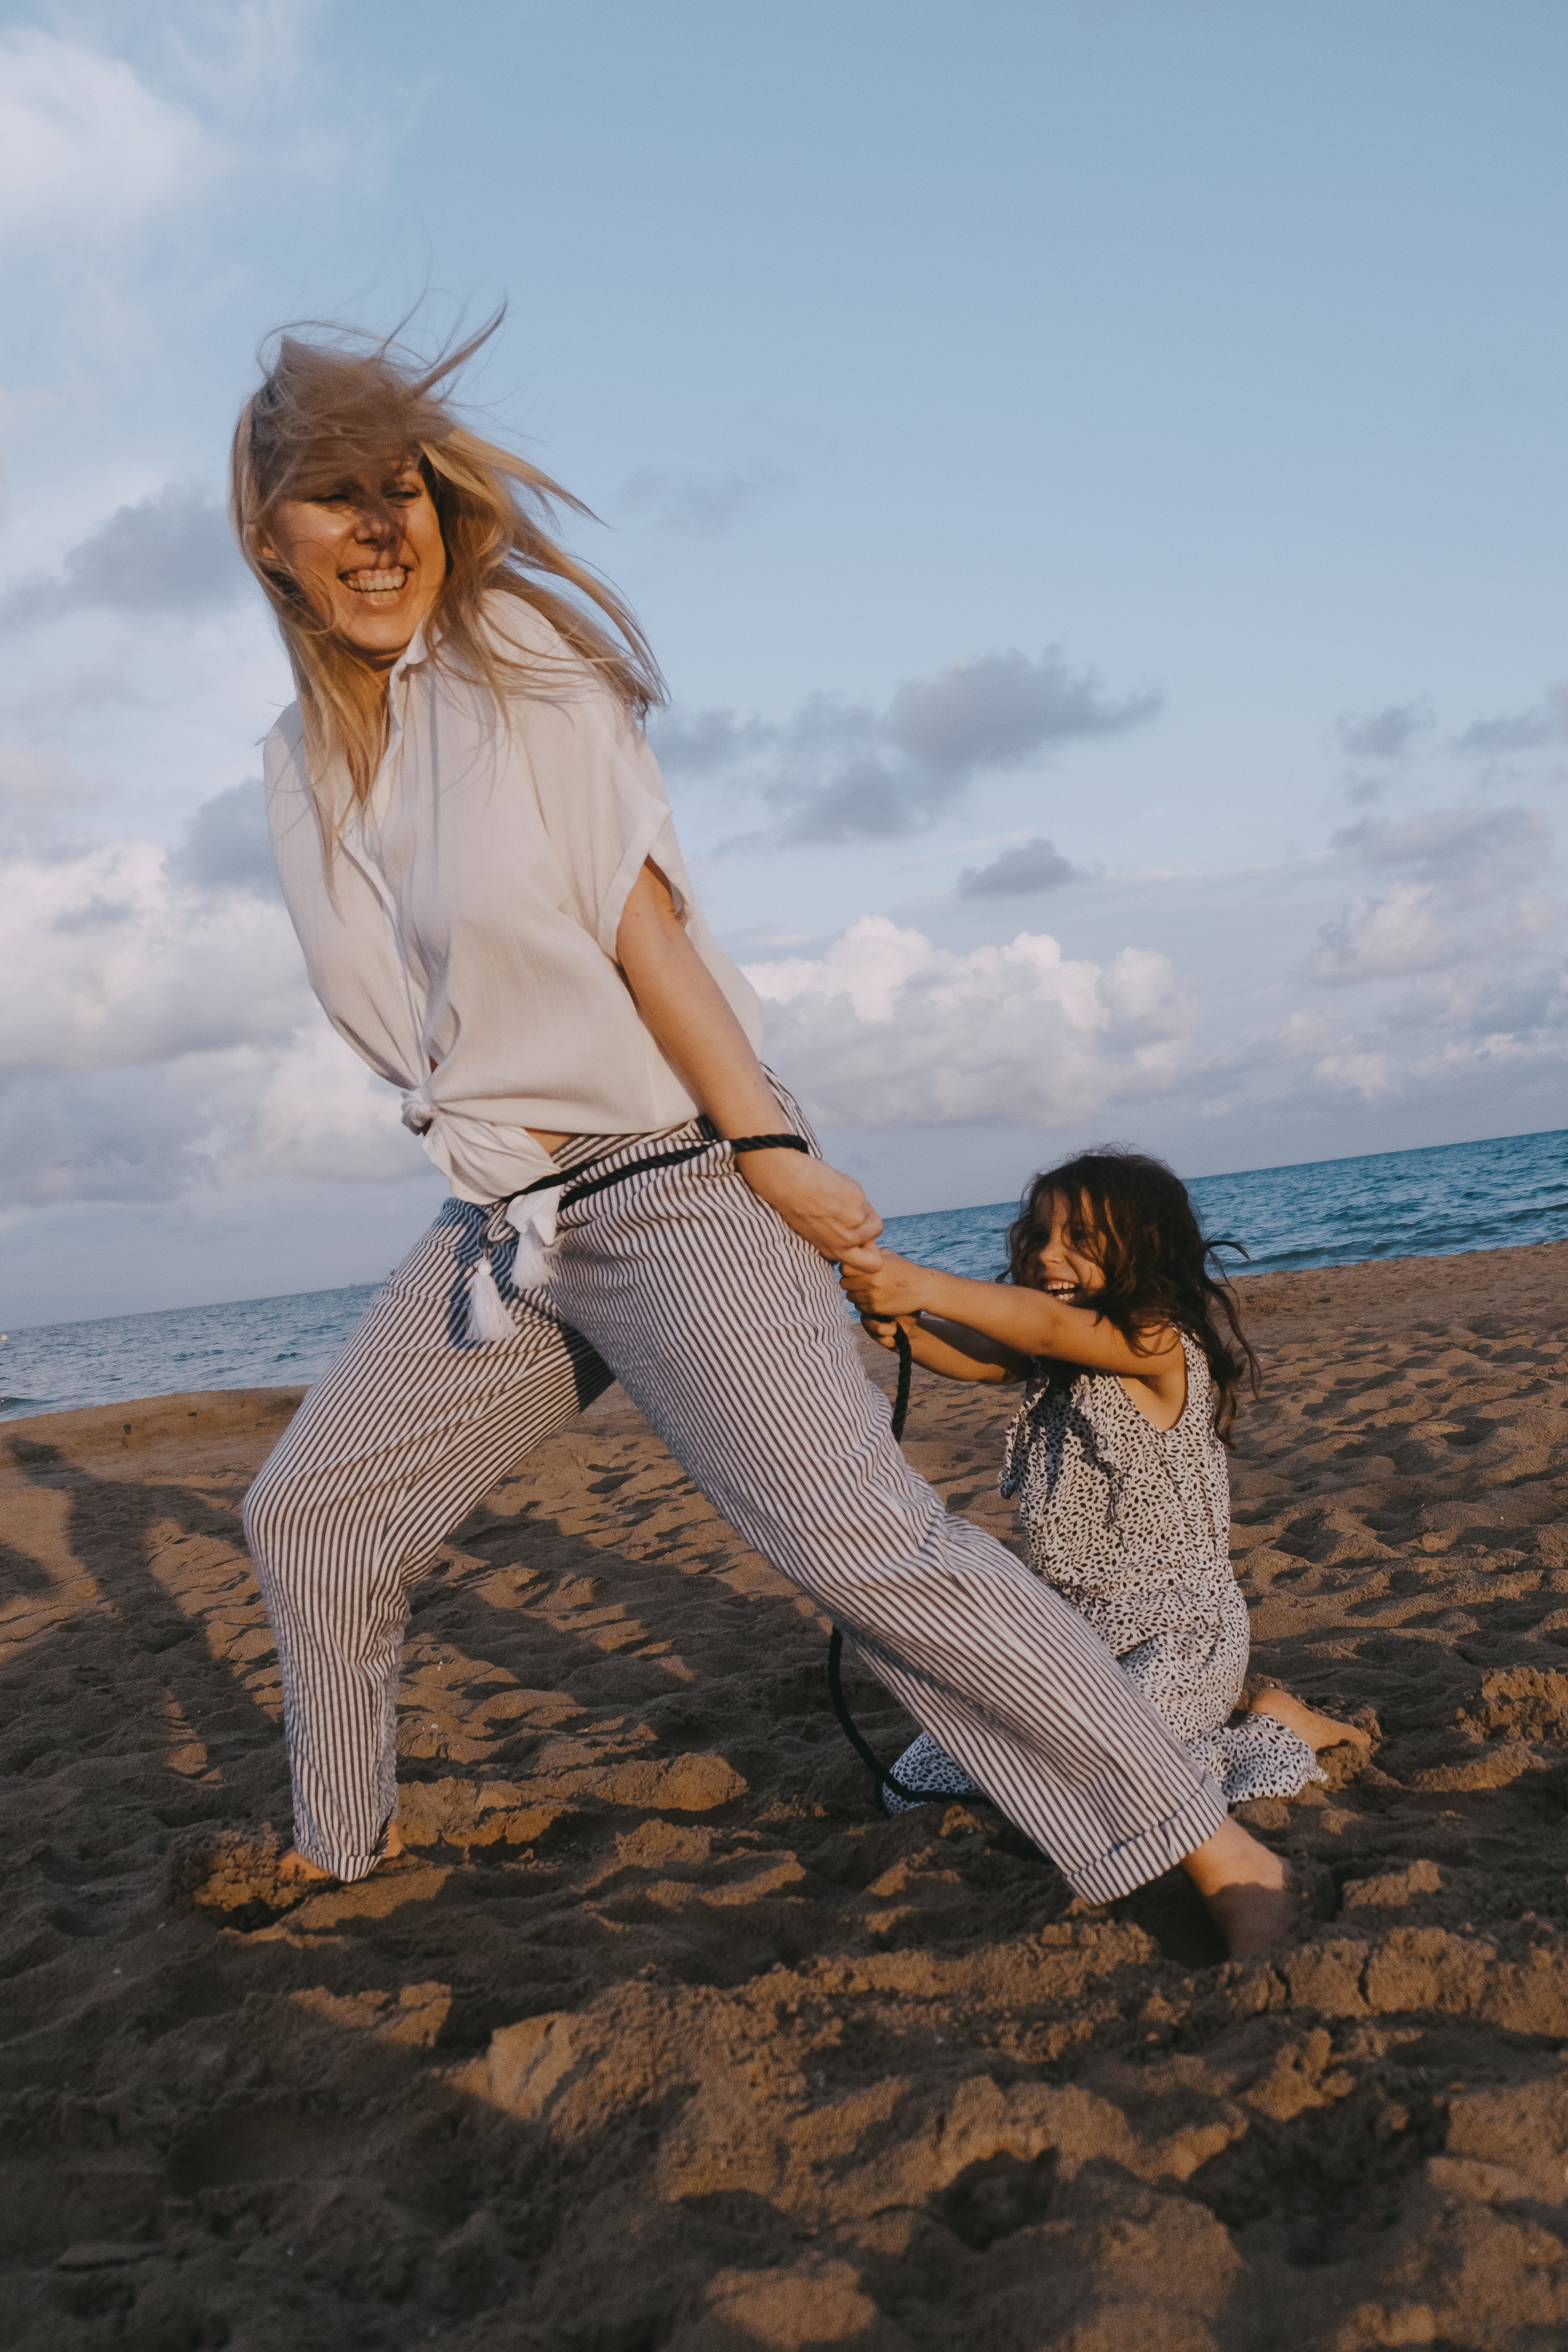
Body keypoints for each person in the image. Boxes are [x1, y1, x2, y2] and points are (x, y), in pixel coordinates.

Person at [230, 316, 1303, 1956]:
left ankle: (1208, 1844)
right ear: (267, 534)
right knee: (312, 1508)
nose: (381, 530)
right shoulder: (297, 768)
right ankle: (336, 1847)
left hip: (668, 1183)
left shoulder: (516, 660)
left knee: (865, 1543)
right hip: (510, 1226)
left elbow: (641, 920)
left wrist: (772, 1148)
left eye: (406, 491)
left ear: (447, 506)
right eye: (333, 496)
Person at [840, 1148, 1368, 1812]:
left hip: (1178, 1630)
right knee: (915, 1790)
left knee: (1110, 1786)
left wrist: (922, 1284)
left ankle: (1280, 1724)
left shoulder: (1159, 1345)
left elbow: (1051, 1324)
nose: (1047, 1255)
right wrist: (903, 1328)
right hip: (1070, 1634)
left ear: (1145, 1250)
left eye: (1080, 1240)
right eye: (1039, 1237)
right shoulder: (1054, 1358)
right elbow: (979, 1356)